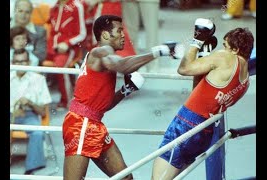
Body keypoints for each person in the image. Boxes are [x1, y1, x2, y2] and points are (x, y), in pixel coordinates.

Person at [62, 14, 174, 180]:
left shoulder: (101, 59)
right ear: (106, 35)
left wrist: (125, 90)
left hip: (94, 123)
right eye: (119, 30)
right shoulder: (101, 52)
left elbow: (102, 105)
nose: (123, 35)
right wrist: (158, 52)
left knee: (125, 178)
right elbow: (122, 66)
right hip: (81, 125)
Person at [151, 18, 254, 179]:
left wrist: (197, 41)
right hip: (204, 132)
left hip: (185, 124)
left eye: (225, 46)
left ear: (235, 49)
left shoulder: (226, 58)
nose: (222, 49)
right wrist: (204, 56)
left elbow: (184, 69)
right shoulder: (246, 81)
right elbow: (200, 91)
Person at [10, 48, 52, 174]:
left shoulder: (38, 79)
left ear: (28, 62)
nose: (20, 65)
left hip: (30, 114)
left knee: (37, 133)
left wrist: (30, 103)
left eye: (23, 62)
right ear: (12, 62)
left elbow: (44, 113)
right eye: (17, 62)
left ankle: (31, 168)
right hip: (11, 114)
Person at [46, 0, 87, 110]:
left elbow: (82, 34)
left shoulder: (76, 6)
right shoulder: (54, 7)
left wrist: (67, 44)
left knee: (60, 66)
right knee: (35, 61)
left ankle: (67, 101)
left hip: (69, 49)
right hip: (51, 47)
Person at [11, 0, 47, 65]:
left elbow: (41, 55)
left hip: (31, 68)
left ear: (31, 13)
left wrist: (21, 62)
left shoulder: (40, 31)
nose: (23, 15)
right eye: (20, 11)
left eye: (27, 12)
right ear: (14, 11)